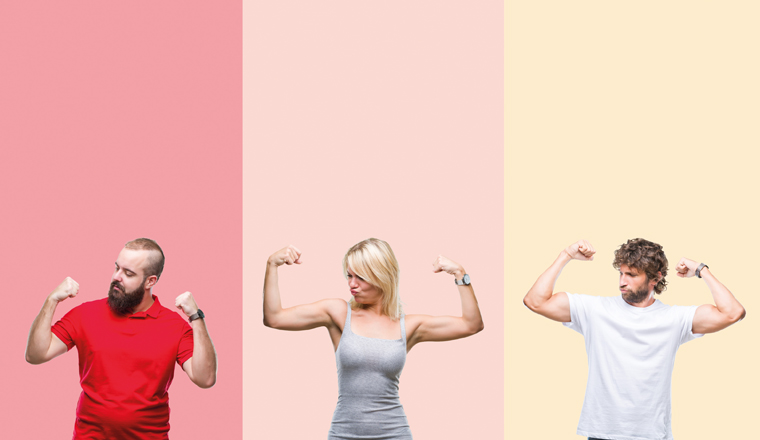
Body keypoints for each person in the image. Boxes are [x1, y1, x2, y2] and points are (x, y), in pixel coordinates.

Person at [523, 238, 746, 440]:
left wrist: (701, 270)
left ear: (655, 279)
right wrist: (566, 255)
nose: (622, 281)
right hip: (603, 432)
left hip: (652, 435)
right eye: (621, 273)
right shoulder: (595, 310)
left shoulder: (674, 318)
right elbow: (535, 301)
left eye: (631, 275)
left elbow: (732, 313)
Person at [263, 238, 484, 440]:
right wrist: (271, 265)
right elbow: (274, 318)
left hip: (394, 433)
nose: (352, 284)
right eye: (349, 275)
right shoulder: (339, 313)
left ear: (382, 276)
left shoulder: (407, 326)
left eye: (361, 277)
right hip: (344, 434)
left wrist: (460, 274)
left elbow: (471, 325)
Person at [25, 238, 217, 440]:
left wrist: (196, 317)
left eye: (128, 273)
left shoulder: (174, 326)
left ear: (150, 281)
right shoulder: (86, 314)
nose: (117, 277)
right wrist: (52, 300)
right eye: (117, 268)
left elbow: (205, 379)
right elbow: (36, 354)